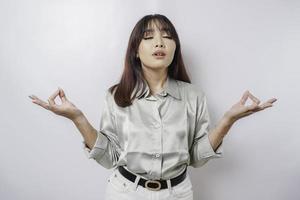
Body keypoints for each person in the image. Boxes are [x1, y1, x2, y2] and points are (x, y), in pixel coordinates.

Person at [28, 14, 277, 200]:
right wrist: (77, 117)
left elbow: (197, 159)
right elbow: (109, 158)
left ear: (174, 48)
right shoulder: (116, 95)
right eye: (148, 37)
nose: (159, 42)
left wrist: (228, 121)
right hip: (125, 193)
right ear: (136, 51)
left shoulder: (194, 96)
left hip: (178, 193)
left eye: (167, 36)